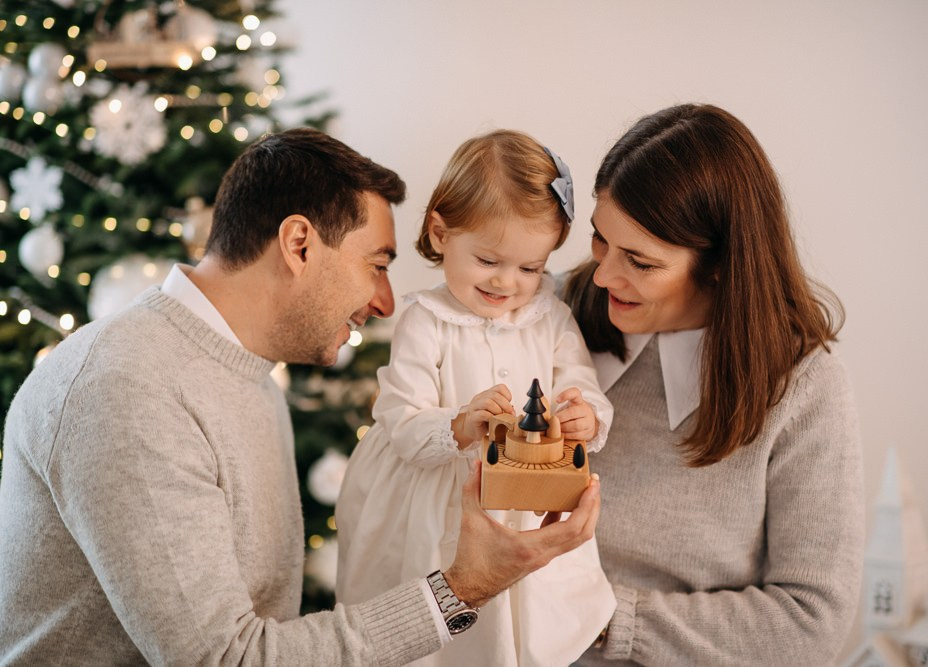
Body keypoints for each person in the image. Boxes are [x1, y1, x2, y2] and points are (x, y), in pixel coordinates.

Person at [0, 128, 602, 666]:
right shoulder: (128, 390)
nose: (389, 303)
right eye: (377, 264)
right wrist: (462, 589)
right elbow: (225, 660)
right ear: (299, 244)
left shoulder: (248, 375)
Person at [563, 104, 864, 665]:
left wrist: (601, 617)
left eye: (641, 262)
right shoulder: (553, 314)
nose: (603, 275)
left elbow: (811, 620)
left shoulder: (804, 387)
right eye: (601, 240)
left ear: (723, 263)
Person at [336, 130, 616, 666]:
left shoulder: (550, 318)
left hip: (523, 491)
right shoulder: (425, 320)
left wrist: (585, 416)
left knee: (521, 623)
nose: (508, 282)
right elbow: (401, 418)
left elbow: (585, 390)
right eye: (489, 260)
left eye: (531, 268)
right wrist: (461, 424)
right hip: (434, 498)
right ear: (441, 232)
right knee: (440, 634)